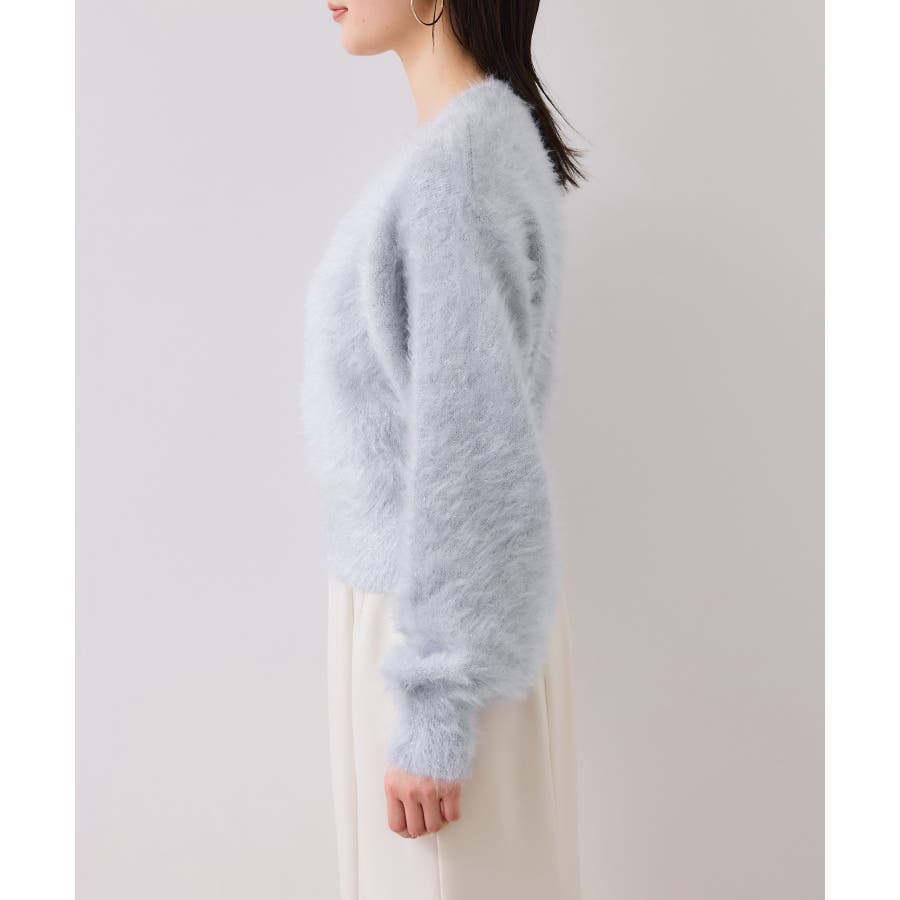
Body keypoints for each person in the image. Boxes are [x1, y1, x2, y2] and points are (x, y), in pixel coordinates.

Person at [301, 1, 588, 897]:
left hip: (434, 641)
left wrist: (433, 709)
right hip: (445, 623)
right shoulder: (473, 148)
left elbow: (476, 450)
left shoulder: (454, 171)